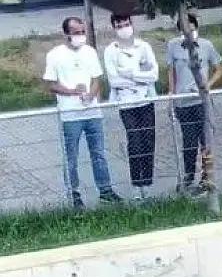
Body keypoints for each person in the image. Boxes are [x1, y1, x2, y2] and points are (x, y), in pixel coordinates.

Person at [41, 16, 122, 209]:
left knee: (98, 153)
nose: (80, 36)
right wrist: (72, 92)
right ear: (66, 34)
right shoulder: (55, 55)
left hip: (92, 112)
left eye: (82, 31)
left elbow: (97, 78)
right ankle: (74, 193)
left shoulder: (90, 52)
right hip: (70, 114)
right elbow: (51, 84)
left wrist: (91, 94)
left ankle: (105, 190)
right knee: (71, 156)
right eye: (76, 32)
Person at [165, 12, 222, 195]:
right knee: (189, 142)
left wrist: (208, 84)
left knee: (206, 141)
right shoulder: (173, 46)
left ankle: (207, 178)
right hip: (183, 102)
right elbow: (171, 72)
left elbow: (219, 69)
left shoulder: (206, 45)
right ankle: (188, 176)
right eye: (184, 26)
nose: (188, 29)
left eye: (190, 25)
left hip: (202, 101)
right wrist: (171, 97)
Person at [103, 13, 161, 198]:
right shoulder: (111, 50)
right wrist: (137, 78)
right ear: (114, 27)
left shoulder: (143, 46)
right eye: (119, 26)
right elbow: (114, 80)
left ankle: (148, 183)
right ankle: (137, 183)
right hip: (126, 103)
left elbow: (154, 74)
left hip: (145, 101)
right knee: (135, 142)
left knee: (148, 140)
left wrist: (131, 74)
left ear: (131, 24)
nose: (123, 28)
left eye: (126, 24)